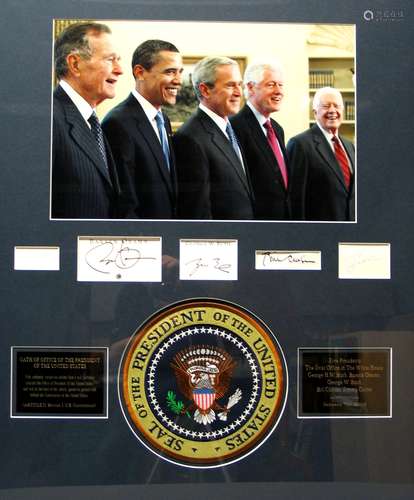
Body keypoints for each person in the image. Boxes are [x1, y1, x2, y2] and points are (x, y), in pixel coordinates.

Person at [102, 40, 182, 219]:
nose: (178, 81)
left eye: (179, 72)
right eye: (170, 72)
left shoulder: (164, 120)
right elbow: (124, 205)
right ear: (140, 73)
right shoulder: (117, 123)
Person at [52, 22, 124, 219]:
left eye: (119, 60)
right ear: (75, 64)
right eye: (110, 60)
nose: (119, 70)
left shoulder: (92, 122)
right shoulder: (49, 120)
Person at [173, 56, 254, 220]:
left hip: (245, 236)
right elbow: (197, 211)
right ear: (205, 90)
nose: (239, 92)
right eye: (231, 85)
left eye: (239, 84)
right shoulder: (190, 138)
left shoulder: (230, 128)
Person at [231, 61, 290, 220]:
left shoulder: (277, 129)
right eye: (271, 85)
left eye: (281, 85)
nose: (278, 91)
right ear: (250, 87)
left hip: (283, 222)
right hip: (255, 224)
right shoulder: (235, 127)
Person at [287, 87, 355, 221]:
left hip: (350, 231)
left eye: (336, 106)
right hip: (318, 234)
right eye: (325, 106)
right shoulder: (300, 144)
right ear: (315, 112)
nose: (332, 110)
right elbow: (295, 200)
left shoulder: (349, 146)